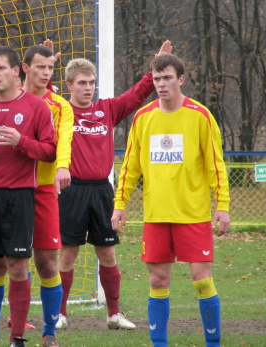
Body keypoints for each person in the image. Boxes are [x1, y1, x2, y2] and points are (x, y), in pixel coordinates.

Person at [0, 44, 73, 347]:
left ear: (16, 71)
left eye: (0, 69)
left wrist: (22, 141)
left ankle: (21, 336)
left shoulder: (37, 108)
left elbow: (49, 150)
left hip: (21, 196)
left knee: (21, 266)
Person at [111, 53, 230, 347]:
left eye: (166, 78)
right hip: (156, 214)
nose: (161, 84)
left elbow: (216, 166)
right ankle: (159, 344)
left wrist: (223, 206)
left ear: (181, 79)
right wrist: (120, 204)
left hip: (193, 214)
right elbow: (130, 166)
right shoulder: (143, 117)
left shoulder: (200, 115)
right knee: (157, 282)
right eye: (156, 78)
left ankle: (213, 344)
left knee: (202, 281)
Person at [56, 40, 172, 331]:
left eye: (91, 82)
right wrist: (40, 68)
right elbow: (34, 98)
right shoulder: (60, 112)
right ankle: (59, 314)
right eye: (82, 83)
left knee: (107, 253)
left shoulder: (106, 110)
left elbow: (136, 96)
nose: (88, 88)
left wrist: (155, 67)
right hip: (71, 191)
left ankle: (114, 314)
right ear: (69, 85)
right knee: (67, 254)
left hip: (102, 191)